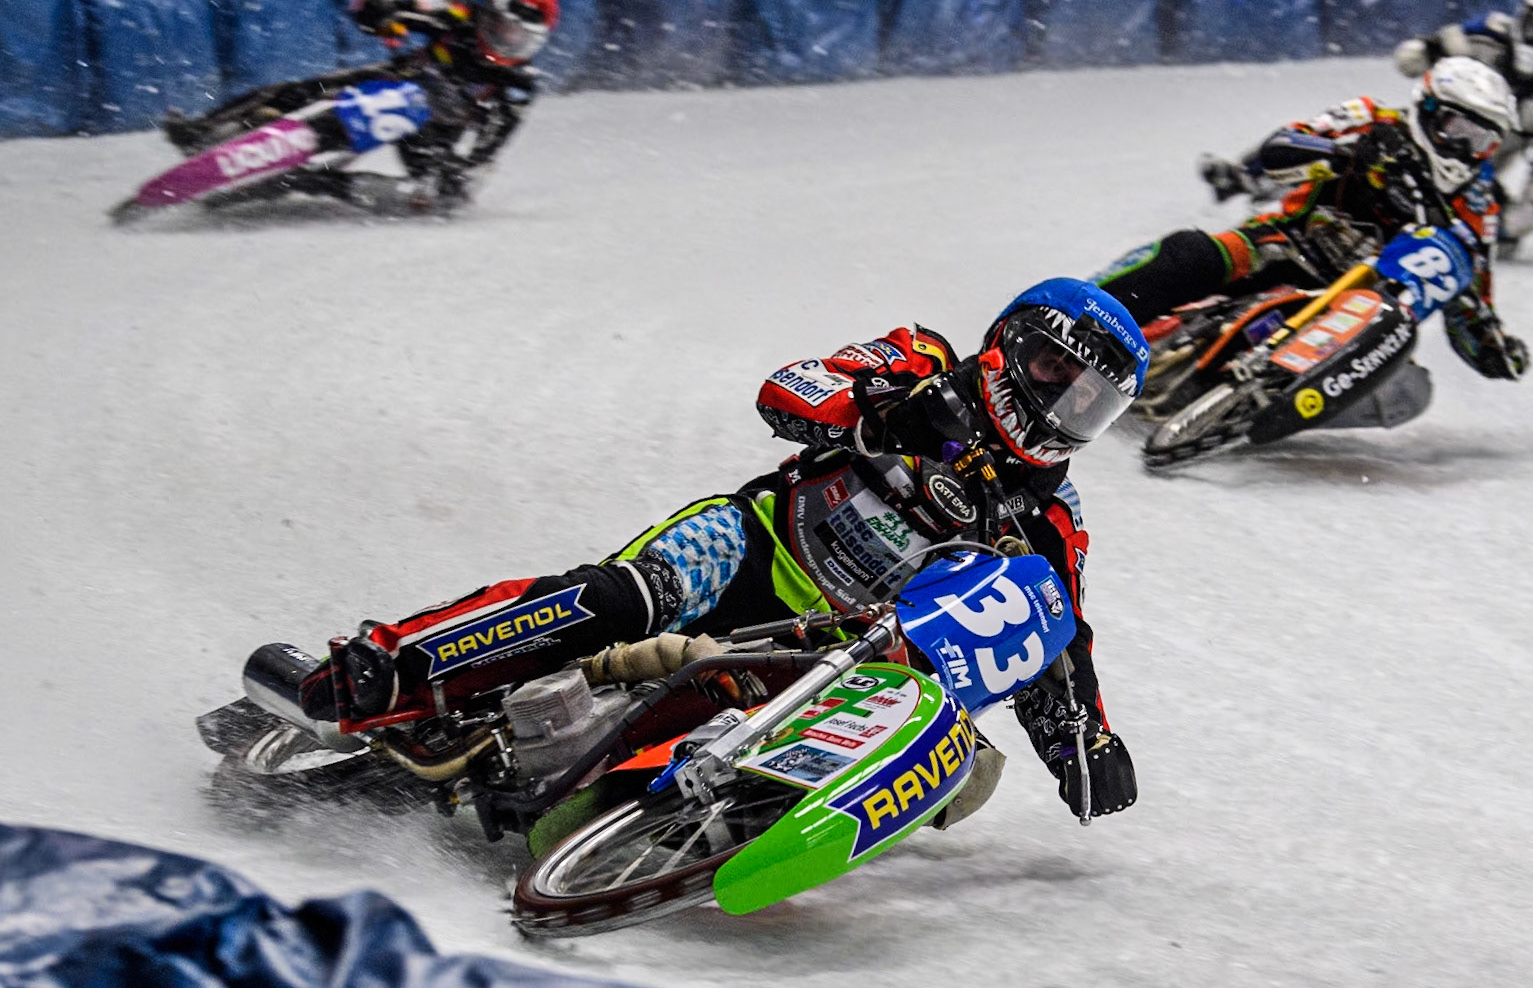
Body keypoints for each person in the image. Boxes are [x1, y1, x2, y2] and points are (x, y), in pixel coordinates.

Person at [269, 279, 1149, 820]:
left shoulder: (1051, 515)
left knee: (947, 756)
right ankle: (393, 664)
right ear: (1010, 343)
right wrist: (880, 408)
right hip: (753, 541)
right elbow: (789, 388)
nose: (1058, 408)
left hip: (832, 642)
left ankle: (668, 815)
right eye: (1050, 374)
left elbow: (1055, 631)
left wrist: (1086, 740)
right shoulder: (920, 356)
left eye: (1085, 403)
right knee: (622, 599)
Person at [1098, 56, 1530, 424]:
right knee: (1189, 253)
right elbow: (1278, 150)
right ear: (1429, 108)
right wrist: (1345, 154)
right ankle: (1082, 311)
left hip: (1362, 307)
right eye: (1457, 128)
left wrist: (1492, 347)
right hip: (1284, 245)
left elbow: (1471, 294)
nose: (1462, 148)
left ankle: (1271, 408)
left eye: (1481, 140)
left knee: (1409, 391)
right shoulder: (1370, 119)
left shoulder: (1478, 208)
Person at [1204, 0, 1533, 255]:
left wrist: (1524, 214)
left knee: (1467, 230)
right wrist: (1422, 51)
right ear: (1522, 16)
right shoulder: (1489, 33)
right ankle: (1249, 174)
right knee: (1348, 143)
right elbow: (1435, 45)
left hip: (1474, 169)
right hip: (1418, 133)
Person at [164, 0, 560, 212]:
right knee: (299, 90)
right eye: (500, 27)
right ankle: (209, 130)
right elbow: (388, 8)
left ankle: (309, 182)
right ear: (485, 12)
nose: (506, 43)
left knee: (442, 201)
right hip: (401, 81)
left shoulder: (518, 88)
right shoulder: (458, 12)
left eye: (520, 39)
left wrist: (455, 169)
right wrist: (381, 12)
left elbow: (484, 154)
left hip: (436, 138)